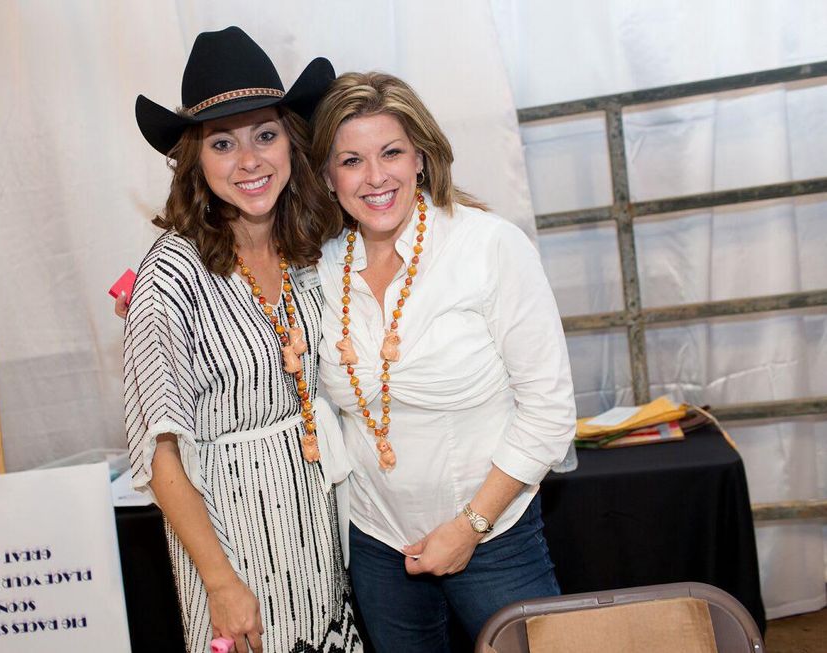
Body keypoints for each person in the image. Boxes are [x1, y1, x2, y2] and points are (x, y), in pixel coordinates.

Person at [308, 72, 577, 651]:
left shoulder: (489, 247)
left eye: (392, 153)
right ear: (328, 177)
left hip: (492, 537)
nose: (375, 177)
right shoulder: (319, 269)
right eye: (351, 160)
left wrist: (469, 527)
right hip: (376, 543)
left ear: (422, 158)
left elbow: (549, 413)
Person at [124, 27, 362, 653]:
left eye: (265, 134)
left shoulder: (306, 250)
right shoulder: (171, 272)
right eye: (222, 143)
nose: (250, 160)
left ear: (291, 141)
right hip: (231, 538)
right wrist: (220, 580)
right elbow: (156, 451)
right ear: (195, 161)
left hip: (315, 529)